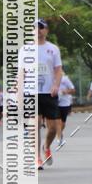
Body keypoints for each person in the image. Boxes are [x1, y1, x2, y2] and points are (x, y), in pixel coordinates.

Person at [35, 19, 63, 169]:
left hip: (49, 92)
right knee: (36, 124)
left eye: (41, 28)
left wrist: (56, 85)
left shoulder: (53, 49)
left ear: (46, 30)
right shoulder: (25, 50)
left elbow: (58, 70)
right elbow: (21, 72)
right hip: (31, 92)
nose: (38, 30)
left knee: (52, 128)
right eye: (35, 28)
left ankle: (46, 147)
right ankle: (36, 158)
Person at [57, 72, 76, 145]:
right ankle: (59, 136)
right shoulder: (51, 78)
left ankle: (60, 132)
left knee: (63, 122)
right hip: (54, 103)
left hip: (64, 103)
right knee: (57, 121)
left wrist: (66, 91)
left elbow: (73, 90)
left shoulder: (65, 79)